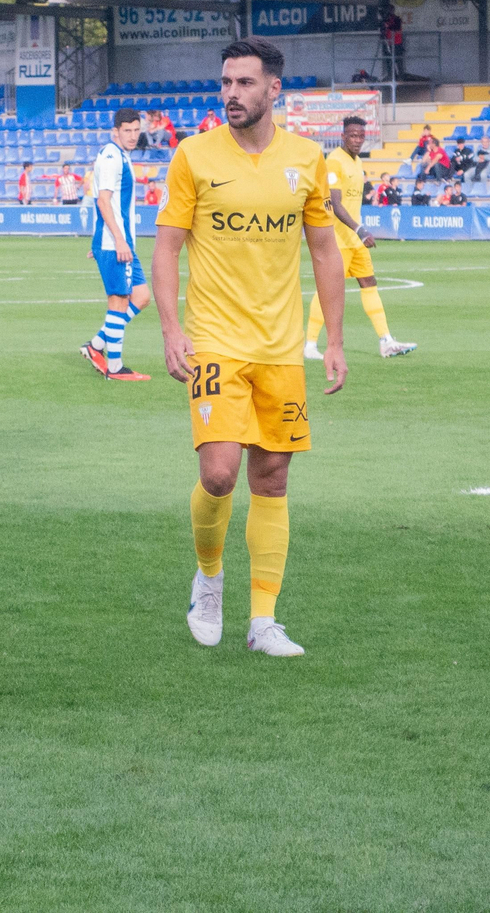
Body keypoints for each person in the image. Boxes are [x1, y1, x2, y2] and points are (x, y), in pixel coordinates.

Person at [153, 36, 349, 660]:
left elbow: (324, 250)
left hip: (281, 347)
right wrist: (170, 328)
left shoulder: (307, 158)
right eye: (226, 82)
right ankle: (208, 579)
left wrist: (336, 341)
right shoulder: (194, 155)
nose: (230, 93)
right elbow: (166, 248)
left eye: (243, 83)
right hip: (212, 340)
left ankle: (263, 619)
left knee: (272, 477)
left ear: (273, 89)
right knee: (219, 472)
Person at [305, 116, 416, 363]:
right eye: (352, 135)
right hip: (339, 239)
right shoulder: (334, 162)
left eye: (361, 136)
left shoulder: (357, 163)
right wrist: (360, 229)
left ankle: (386, 341)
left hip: (354, 241)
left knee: (369, 283)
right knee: (328, 290)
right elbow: (334, 203)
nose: (357, 140)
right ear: (343, 136)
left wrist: (358, 232)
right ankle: (310, 344)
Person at [80, 107, 152, 382]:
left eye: (136, 130)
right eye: (127, 131)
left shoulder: (120, 155)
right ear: (116, 131)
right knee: (119, 300)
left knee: (141, 296)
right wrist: (116, 240)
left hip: (117, 242)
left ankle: (96, 345)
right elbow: (103, 200)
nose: (133, 136)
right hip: (117, 243)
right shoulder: (112, 157)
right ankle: (115, 367)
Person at [381, 7, 405, 80]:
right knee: (389, 61)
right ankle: (392, 77)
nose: (388, 13)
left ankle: (401, 77)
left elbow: (396, 28)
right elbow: (383, 30)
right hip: (389, 43)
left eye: (389, 10)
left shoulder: (397, 19)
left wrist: (388, 26)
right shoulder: (386, 20)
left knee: (398, 61)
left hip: (397, 43)